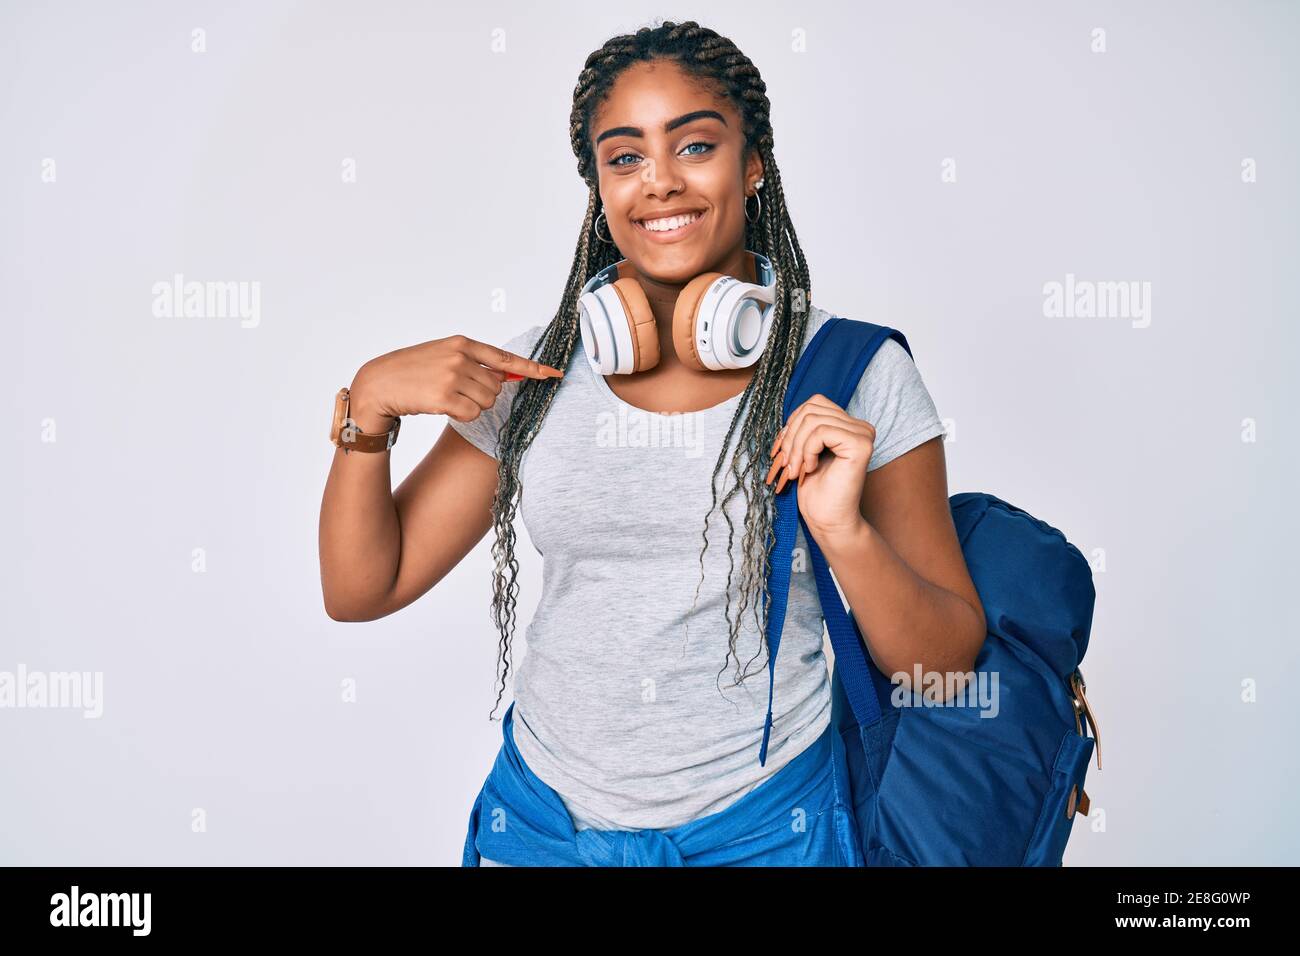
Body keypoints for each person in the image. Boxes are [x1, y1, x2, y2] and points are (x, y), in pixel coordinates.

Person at [318, 19, 986, 866]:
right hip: (542, 830)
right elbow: (361, 587)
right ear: (599, 188)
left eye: (695, 145)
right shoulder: (542, 368)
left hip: (766, 831)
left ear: (755, 163)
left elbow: (947, 667)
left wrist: (844, 533)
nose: (660, 183)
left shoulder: (853, 370)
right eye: (625, 157)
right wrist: (368, 411)